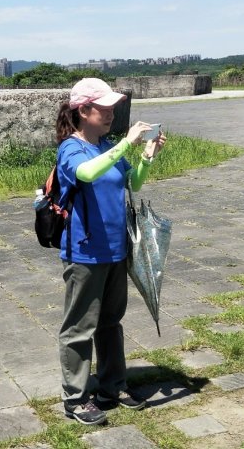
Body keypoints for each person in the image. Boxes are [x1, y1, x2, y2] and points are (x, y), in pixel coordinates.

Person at [55, 77, 166, 426]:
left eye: (112, 109)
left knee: (110, 323)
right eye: (104, 109)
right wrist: (124, 145)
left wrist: (147, 156)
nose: (110, 115)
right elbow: (86, 174)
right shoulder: (71, 149)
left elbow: (133, 183)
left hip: (117, 250)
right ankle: (75, 399)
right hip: (86, 252)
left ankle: (111, 386)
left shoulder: (106, 144)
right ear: (83, 110)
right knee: (78, 328)